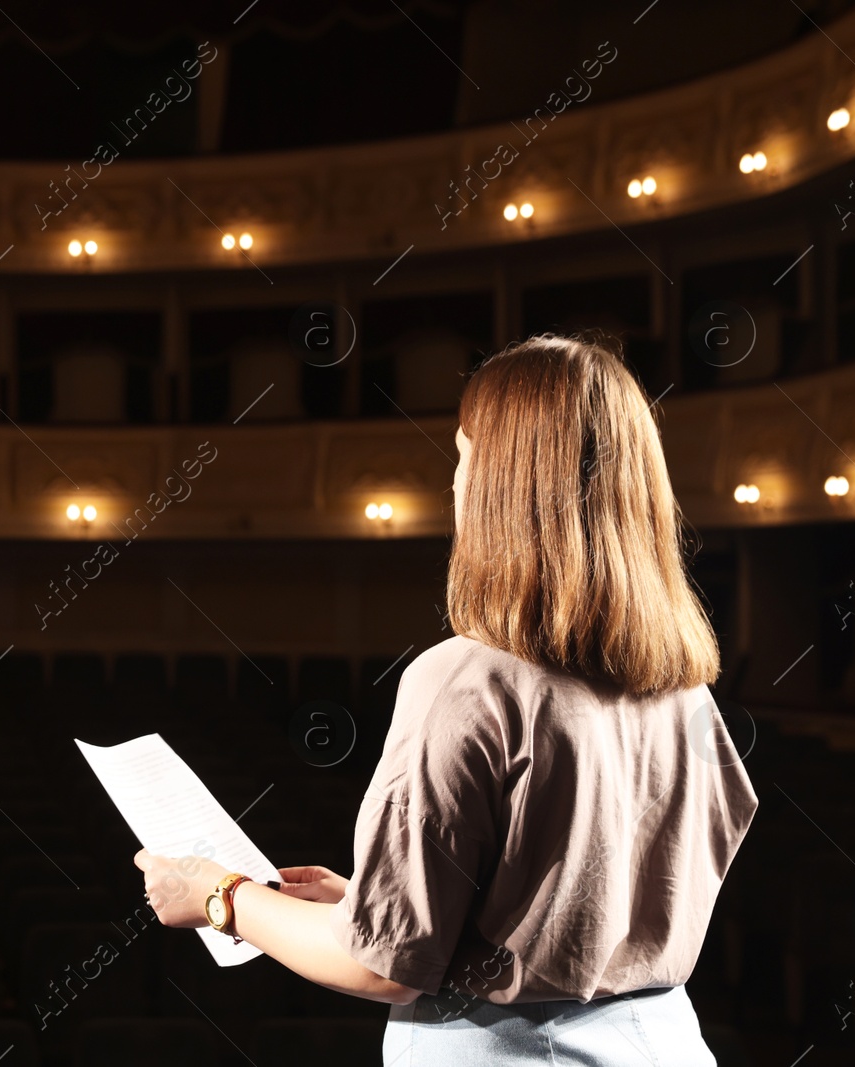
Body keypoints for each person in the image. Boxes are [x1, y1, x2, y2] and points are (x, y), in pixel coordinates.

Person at [136, 333, 759, 1064]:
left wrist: (223, 895)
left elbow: (381, 968)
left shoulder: (466, 679)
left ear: (502, 483)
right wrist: (372, 907)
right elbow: (582, 920)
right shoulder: (686, 687)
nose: (455, 484)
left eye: (464, 457)